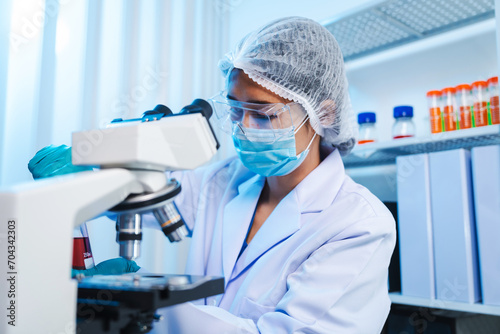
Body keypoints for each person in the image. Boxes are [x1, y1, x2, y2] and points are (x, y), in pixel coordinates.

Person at [29, 17, 396, 333]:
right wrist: (88, 173)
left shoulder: (359, 224)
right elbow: (140, 194)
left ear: (324, 114)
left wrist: (139, 306)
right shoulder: (225, 179)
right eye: (235, 110)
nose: (244, 128)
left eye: (265, 114)